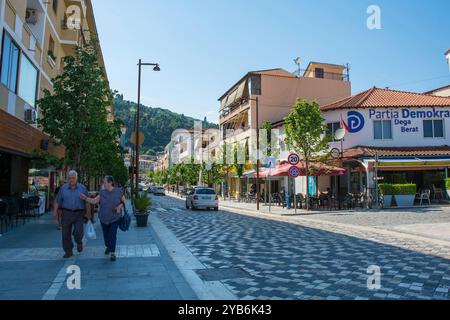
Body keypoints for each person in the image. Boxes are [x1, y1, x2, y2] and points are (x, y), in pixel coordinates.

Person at [81, 176, 125, 262]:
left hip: (115, 217)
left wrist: (119, 206)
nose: (103, 184)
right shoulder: (102, 192)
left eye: (104, 182)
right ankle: (108, 246)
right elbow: (94, 201)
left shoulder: (118, 191)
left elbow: (123, 201)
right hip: (103, 218)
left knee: (112, 234)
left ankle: (112, 253)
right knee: (106, 235)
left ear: (110, 183)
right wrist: (85, 198)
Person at [53, 171, 90, 259]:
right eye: (69, 178)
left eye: (73, 178)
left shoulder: (82, 188)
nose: (71, 180)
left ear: (77, 178)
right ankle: (68, 251)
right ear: (67, 178)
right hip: (66, 213)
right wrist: (55, 212)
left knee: (78, 232)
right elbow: (57, 201)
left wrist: (88, 213)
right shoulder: (63, 188)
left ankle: (79, 242)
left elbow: (87, 201)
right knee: (65, 233)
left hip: (79, 213)